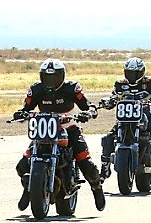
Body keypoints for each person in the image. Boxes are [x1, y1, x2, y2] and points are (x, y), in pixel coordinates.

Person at [13, 58, 106, 212]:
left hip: (69, 128)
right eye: (47, 77)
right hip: (45, 131)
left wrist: (88, 112)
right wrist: (21, 114)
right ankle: (29, 189)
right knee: (22, 165)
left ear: (62, 76)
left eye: (55, 77)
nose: (51, 81)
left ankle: (97, 189)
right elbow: (26, 108)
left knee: (85, 162)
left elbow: (88, 105)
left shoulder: (72, 88)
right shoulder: (36, 90)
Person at [98, 57, 151, 190]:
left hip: (147, 115)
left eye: (135, 73)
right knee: (108, 138)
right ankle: (104, 169)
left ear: (142, 72)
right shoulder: (120, 84)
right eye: (129, 73)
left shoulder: (150, 83)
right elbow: (113, 97)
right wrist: (107, 101)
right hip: (125, 119)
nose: (132, 76)